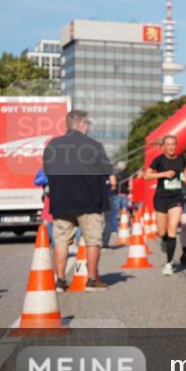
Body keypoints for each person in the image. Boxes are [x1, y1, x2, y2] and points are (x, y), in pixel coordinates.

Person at [43, 109, 115, 291]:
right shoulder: (93, 145)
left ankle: (60, 280)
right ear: (82, 124)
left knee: (61, 241)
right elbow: (107, 169)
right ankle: (91, 279)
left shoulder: (52, 145)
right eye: (87, 124)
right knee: (92, 241)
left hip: (61, 202)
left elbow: (48, 171)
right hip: (89, 203)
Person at [143, 135, 185, 275]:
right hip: (161, 197)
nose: (171, 147)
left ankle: (168, 263)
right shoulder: (159, 160)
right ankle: (164, 240)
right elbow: (146, 175)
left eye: (173, 144)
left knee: (172, 228)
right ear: (164, 146)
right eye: (168, 144)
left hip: (176, 197)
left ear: (176, 145)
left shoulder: (181, 159)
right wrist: (164, 174)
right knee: (162, 232)